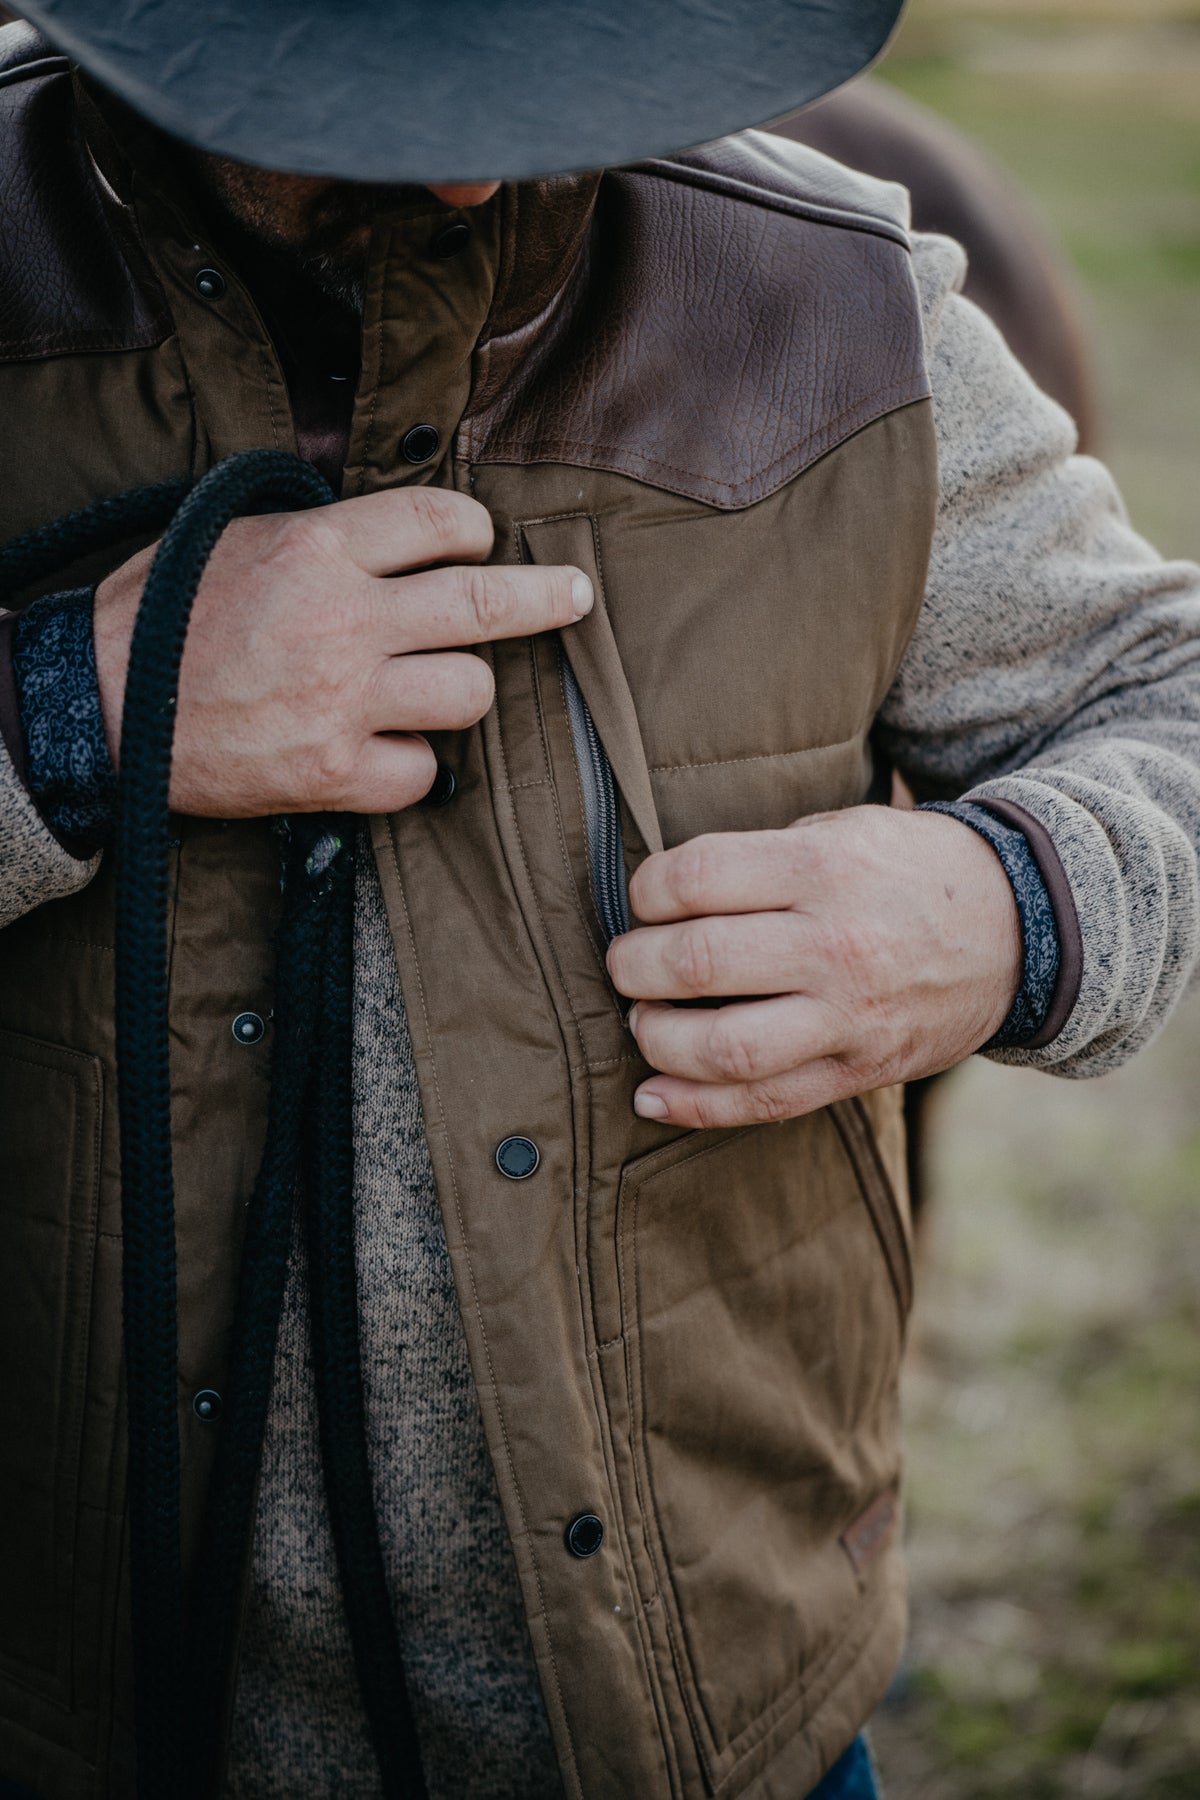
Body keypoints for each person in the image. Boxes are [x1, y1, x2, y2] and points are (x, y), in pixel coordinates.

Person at [1, 3, 1198, 1797]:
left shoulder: (843, 309)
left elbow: (1164, 695)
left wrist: (1006, 907)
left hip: (713, 1719)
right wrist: (66, 713)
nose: (484, 156)